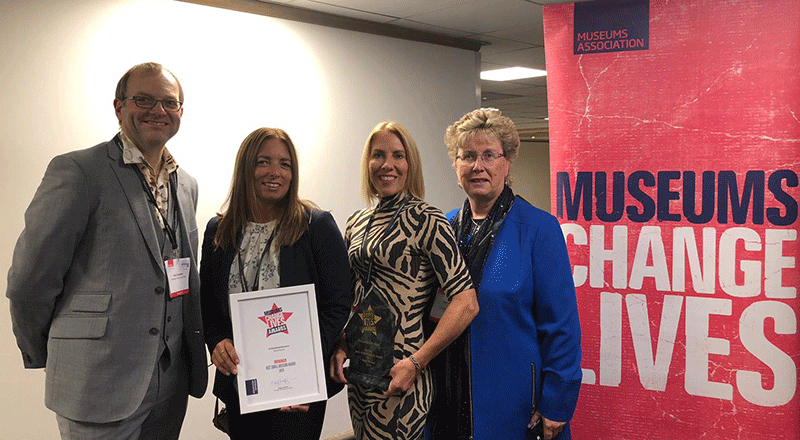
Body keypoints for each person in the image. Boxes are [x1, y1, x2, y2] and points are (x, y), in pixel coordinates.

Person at [6, 62, 207, 439]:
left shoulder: (186, 185)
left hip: (170, 382)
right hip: (97, 381)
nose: (157, 111)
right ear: (119, 107)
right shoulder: (79, 171)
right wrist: (54, 351)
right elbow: (29, 281)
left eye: (169, 103)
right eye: (143, 100)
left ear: (181, 112)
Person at [428, 108, 582, 440]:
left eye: (488, 155)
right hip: (447, 396)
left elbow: (562, 325)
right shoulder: (443, 228)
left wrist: (557, 402)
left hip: (513, 406)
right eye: (467, 156)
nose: (478, 166)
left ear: (507, 163)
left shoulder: (539, 229)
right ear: (456, 165)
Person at [330, 121, 479, 440]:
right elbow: (353, 294)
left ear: (410, 164)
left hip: (404, 375)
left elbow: (466, 304)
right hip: (361, 373)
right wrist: (342, 343)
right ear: (367, 163)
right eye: (378, 155)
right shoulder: (356, 223)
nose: (388, 164)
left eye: (398, 155)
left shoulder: (428, 220)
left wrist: (417, 360)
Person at [200, 127, 353, 439]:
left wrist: (301, 369)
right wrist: (216, 342)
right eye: (263, 162)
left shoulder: (315, 226)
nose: (275, 172)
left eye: (285, 164)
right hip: (241, 383)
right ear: (246, 168)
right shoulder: (220, 230)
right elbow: (207, 305)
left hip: (296, 391)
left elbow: (337, 305)